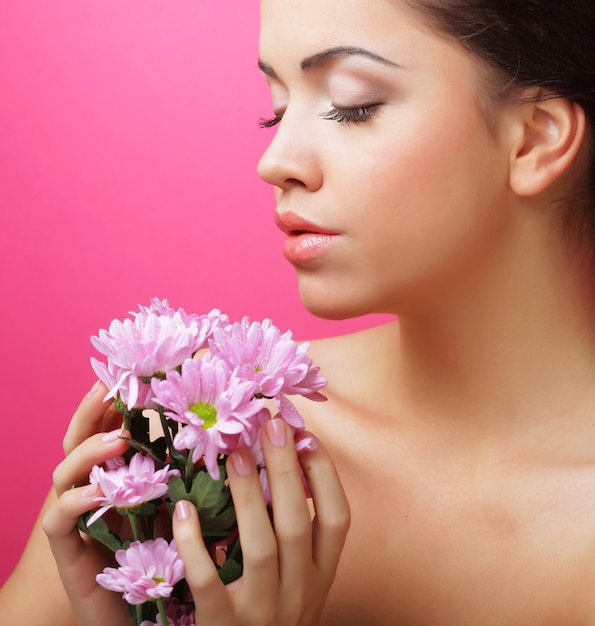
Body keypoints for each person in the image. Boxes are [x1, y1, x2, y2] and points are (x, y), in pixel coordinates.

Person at [2, 0, 595, 623]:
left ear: (533, 138)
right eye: (276, 109)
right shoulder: (197, 442)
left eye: (353, 103)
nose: (275, 162)